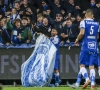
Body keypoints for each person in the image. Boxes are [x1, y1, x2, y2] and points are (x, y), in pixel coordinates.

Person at [68, 9, 99, 90]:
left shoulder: (83, 22)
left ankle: (86, 79)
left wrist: (77, 39)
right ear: (92, 15)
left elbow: (82, 33)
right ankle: (92, 84)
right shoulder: (97, 24)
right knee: (91, 66)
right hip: (94, 46)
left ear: (85, 15)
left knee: (82, 65)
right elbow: (98, 36)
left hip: (85, 46)